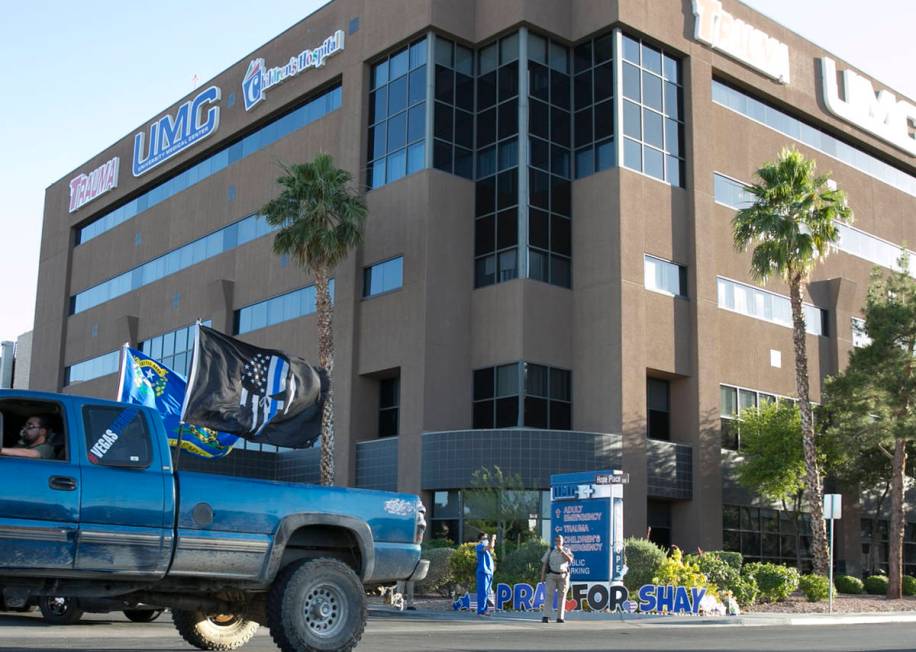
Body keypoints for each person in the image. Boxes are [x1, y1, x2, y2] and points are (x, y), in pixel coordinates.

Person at [540, 534, 574, 623]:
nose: (558, 542)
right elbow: (544, 563)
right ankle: (546, 616)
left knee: (562, 596)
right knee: (549, 595)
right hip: (551, 575)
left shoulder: (566, 550)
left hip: (563, 576)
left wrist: (562, 551)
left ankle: (560, 617)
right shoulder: (551, 550)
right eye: (556, 541)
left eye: (559, 541)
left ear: (563, 542)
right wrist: (542, 576)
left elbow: (570, 560)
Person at [475, 532, 494, 616]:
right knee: (482, 592)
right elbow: (490, 546)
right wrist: (493, 538)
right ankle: (481, 611)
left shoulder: (487, 550)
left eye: (486, 538)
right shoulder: (479, 546)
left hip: (489, 573)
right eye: (484, 538)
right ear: (480, 540)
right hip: (483, 572)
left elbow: (491, 547)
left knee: (486, 592)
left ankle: (485, 609)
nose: (486, 540)